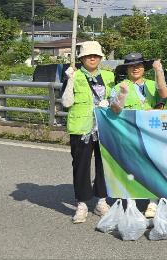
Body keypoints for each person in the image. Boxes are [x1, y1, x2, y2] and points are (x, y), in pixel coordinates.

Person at [60, 41, 115, 223]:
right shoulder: (73, 75)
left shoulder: (108, 76)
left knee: (104, 165)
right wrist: (69, 81)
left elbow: (116, 99)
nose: (92, 58)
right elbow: (66, 103)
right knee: (81, 165)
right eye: (88, 55)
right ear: (81, 58)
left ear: (100, 58)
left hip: (105, 127)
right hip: (81, 128)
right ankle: (82, 203)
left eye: (96, 55)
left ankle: (101, 200)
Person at [108, 52, 158, 217]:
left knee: (152, 166)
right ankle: (131, 201)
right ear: (127, 69)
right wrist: (122, 94)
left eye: (138, 65)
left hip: (152, 133)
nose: (135, 69)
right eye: (131, 66)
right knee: (130, 167)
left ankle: (153, 202)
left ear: (144, 68)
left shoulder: (153, 84)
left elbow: (164, 103)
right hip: (128, 133)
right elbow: (114, 110)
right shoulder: (119, 86)